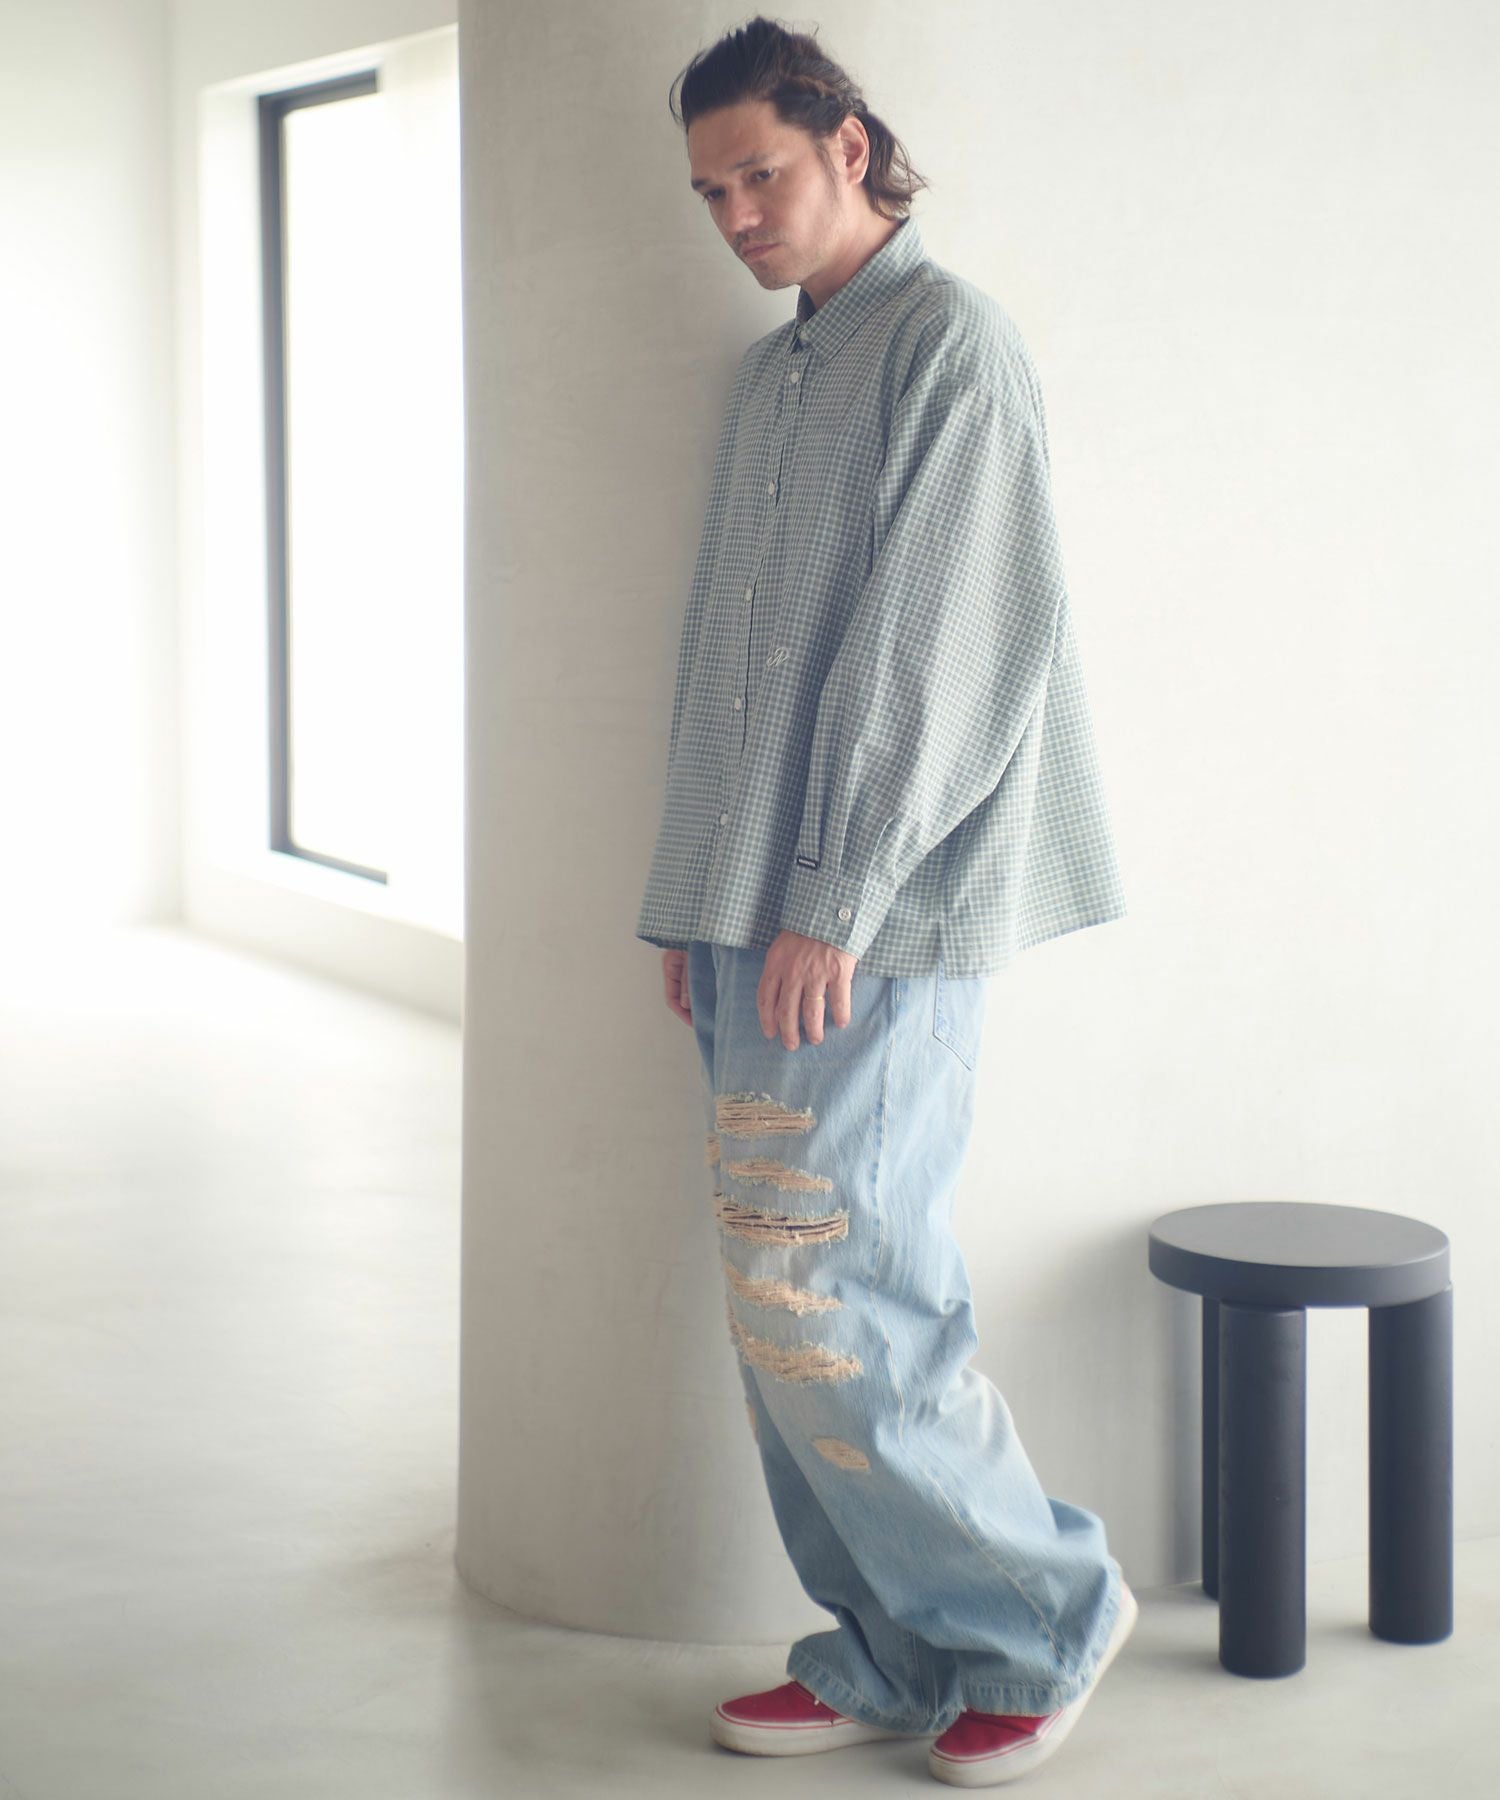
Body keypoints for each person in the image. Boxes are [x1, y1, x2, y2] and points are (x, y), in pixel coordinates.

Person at [636, 18, 1135, 1787]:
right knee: (780, 1299)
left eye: (760, 175)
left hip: (873, 917)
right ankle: (892, 1650)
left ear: (849, 145)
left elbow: (946, 654)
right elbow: (728, 664)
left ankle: (1041, 1620)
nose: (736, 218)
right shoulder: (774, 376)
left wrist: (832, 897)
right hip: (756, 916)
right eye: (711, 193)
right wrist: (696, 906)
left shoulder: (950, 347)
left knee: (846, 1288)